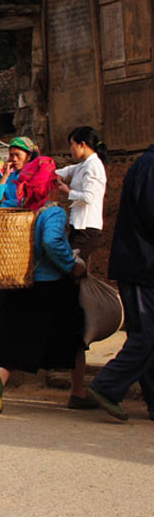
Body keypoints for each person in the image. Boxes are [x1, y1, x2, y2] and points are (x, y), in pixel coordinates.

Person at [0, 157, 88, 414]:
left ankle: (1, 374)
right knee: (75, 336)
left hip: (21, 282)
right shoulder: (52, 212)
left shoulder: (18, 209)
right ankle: (78, 391)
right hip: (51, 285)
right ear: (50, 185)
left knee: (23, 337)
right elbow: (51, 242)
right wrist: (71, 265)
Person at [86, 144, 154, 422]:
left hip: (143, 265)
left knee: (147, 337)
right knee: (146, 336)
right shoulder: (149, 167)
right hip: (141, 265)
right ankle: (106, 385)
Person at [55, 126, 108, 263]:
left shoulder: (93, 166)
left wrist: (68, 192)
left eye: (72, 144)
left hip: (86, 228)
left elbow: (89, 197)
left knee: (75, 268)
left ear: (82, 145)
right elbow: (66, 171)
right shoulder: (83, 165)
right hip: (79, 226)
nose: (71, 149)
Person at [0, 136, 40, 207]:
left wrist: (6, 203)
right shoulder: (10, 177)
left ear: (29, 156)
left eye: (18, 155)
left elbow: (27, 202)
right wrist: (5, 176)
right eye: (11, 155)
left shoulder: (35, 176)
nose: (14, 159)